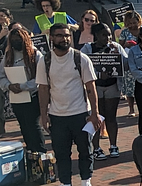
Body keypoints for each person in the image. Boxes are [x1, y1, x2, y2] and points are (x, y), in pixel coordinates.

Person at [36, 23, 102, 186]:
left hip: (81, 113)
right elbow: (43, 90)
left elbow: (91, 88)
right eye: (59, 35)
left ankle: (86, 180)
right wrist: (44, 115)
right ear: (51, 38)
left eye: (67, 35)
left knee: (86, 151)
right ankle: (65, 182)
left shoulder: (81, 58)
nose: (64, 38)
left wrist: (94, 113)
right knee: (61, 153)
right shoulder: (45, 61)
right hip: (57, 116)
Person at [79, 23, 126, 161]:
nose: (108, 38)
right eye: (104, 35)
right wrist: (99, 75)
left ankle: (113, 145)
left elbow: (127, 66)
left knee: (111, 117)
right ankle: (96, 148)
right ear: (96, 35)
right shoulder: (88, 48)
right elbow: (81, 66)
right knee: (96, 116)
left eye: (109, 35)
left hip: (112, 86)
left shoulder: (116, 47)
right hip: (95, 87)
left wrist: (118, 56)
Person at [0, 28, 47, 153]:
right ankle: (30, 151)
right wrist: (9, 86)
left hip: (32, 96)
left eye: (19, 40)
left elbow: (41, 77)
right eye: (13, 40)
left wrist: (23, 86)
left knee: (33, 125)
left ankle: (40, 152)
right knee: (24, 126)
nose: (16, 42)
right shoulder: (8, 56)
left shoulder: (35, 54)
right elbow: (0, 75)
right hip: (16, 98)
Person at [118, 11, 142, 117]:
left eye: (134, 22)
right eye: (130, 23)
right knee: (129, 86)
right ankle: (131, 109)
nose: (132, 25)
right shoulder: (125, 32)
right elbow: (119, 47)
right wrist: (126, 45)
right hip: (129, 62)